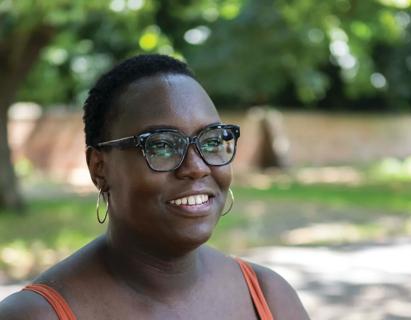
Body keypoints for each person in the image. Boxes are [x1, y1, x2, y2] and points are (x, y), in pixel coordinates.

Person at [0, 54, 310, 319]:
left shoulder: (269, 298)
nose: (197, 167)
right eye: (162, 146)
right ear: (99, 168)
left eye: (212, 141)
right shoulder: (36, 315)